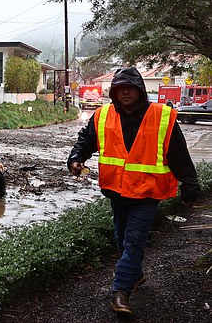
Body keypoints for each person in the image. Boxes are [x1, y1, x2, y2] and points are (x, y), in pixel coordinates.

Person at [67, 67, 200, 316]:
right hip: (117, 191)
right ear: (113, 92)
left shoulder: (162, 117)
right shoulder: (103, 115)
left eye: (129, 87)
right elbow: (85, 141)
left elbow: (180, 156)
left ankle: (121, 292)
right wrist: (76, 158)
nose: (125, 92)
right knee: (122, 238)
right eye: (119, 88)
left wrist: (190, 187)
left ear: (140, 90)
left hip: (148, 193)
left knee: (135, 239)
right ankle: (135, 275)